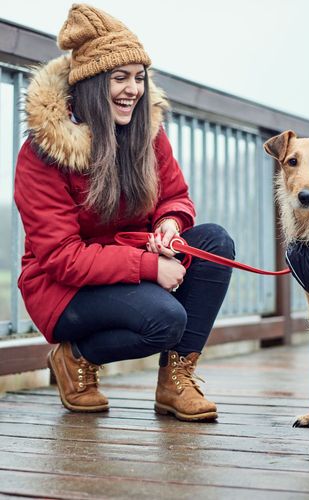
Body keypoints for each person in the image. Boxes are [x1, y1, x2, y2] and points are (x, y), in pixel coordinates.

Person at [14, 4, 234, 421]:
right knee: (165, 321)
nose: (133, 89)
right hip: (63, 288)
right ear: (92, 84)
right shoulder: (43, 153)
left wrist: (170, 224)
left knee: (215, 242)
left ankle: (175, 381)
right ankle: (74, 358)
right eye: (119, 78)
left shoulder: (145, 132)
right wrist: (149, 266)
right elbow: (62, 257)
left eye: (139, 77)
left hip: (127, 262)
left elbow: (176, 196)